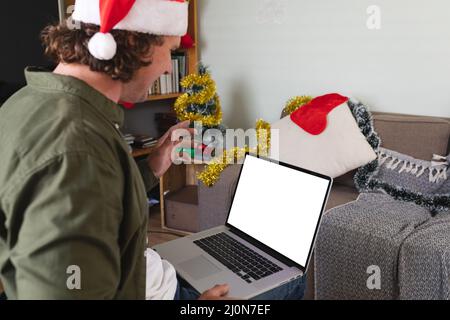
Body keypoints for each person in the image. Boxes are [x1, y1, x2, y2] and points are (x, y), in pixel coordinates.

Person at [0, 0, 305, 300]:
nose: (165, 67)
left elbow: (103, 202)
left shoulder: (28, 102)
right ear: (135, 40)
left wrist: (154, 165)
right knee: (294, 282)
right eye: (170, 51)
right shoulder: (78, 150)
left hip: (147, 275)